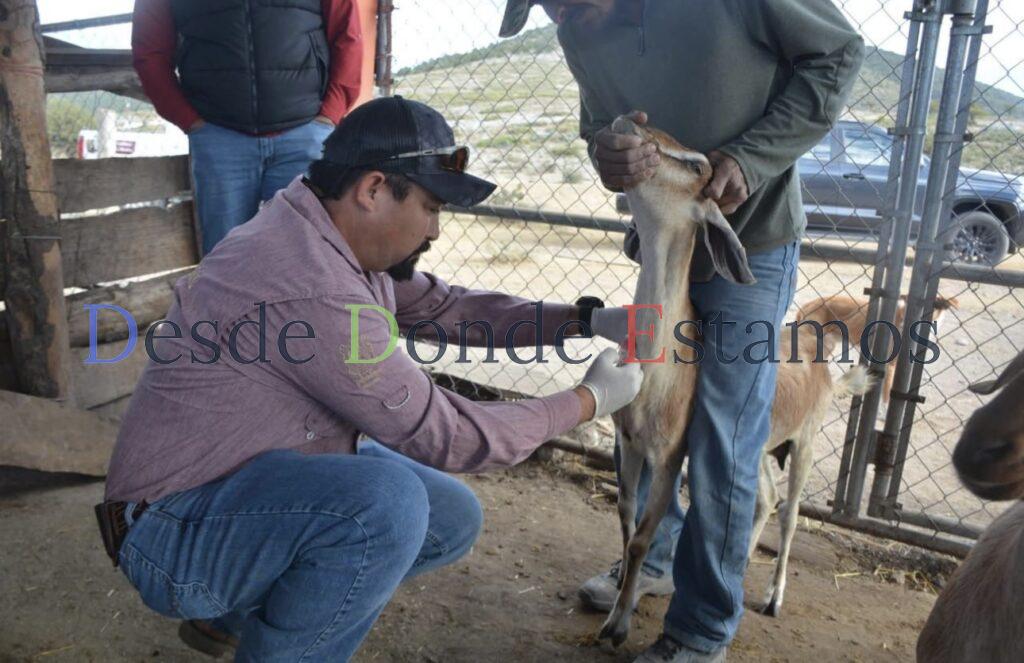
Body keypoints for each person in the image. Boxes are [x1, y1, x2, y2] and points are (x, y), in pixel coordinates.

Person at [95, 96, 643, 660]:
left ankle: (236, 615)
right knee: (385, 506)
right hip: (170, 530)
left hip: (238, 480)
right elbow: (451, 437)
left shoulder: (322, 232)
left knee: (449, 516)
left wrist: (582, 320)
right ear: (374, 189)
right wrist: (587, 400)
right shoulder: (312, 285)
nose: (433, 231)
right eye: (431, 207)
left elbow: (444, 308)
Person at [499, 1, 865, 661]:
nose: (565, 15)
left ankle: (700, 628)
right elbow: (597, 127)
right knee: (642, 405)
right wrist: (609, 154)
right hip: (661, 247)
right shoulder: (578, 28)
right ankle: (654, 559)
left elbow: (838, 53)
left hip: (743, 243)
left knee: (725, 426)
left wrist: (750, 159)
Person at [131, 0, 364, 255]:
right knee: (226, 260)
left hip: (305, 134)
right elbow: (149, 50)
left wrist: (330, 113)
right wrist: (188, 119)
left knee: (309, 257)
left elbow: (347, 34)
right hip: (220, 138)